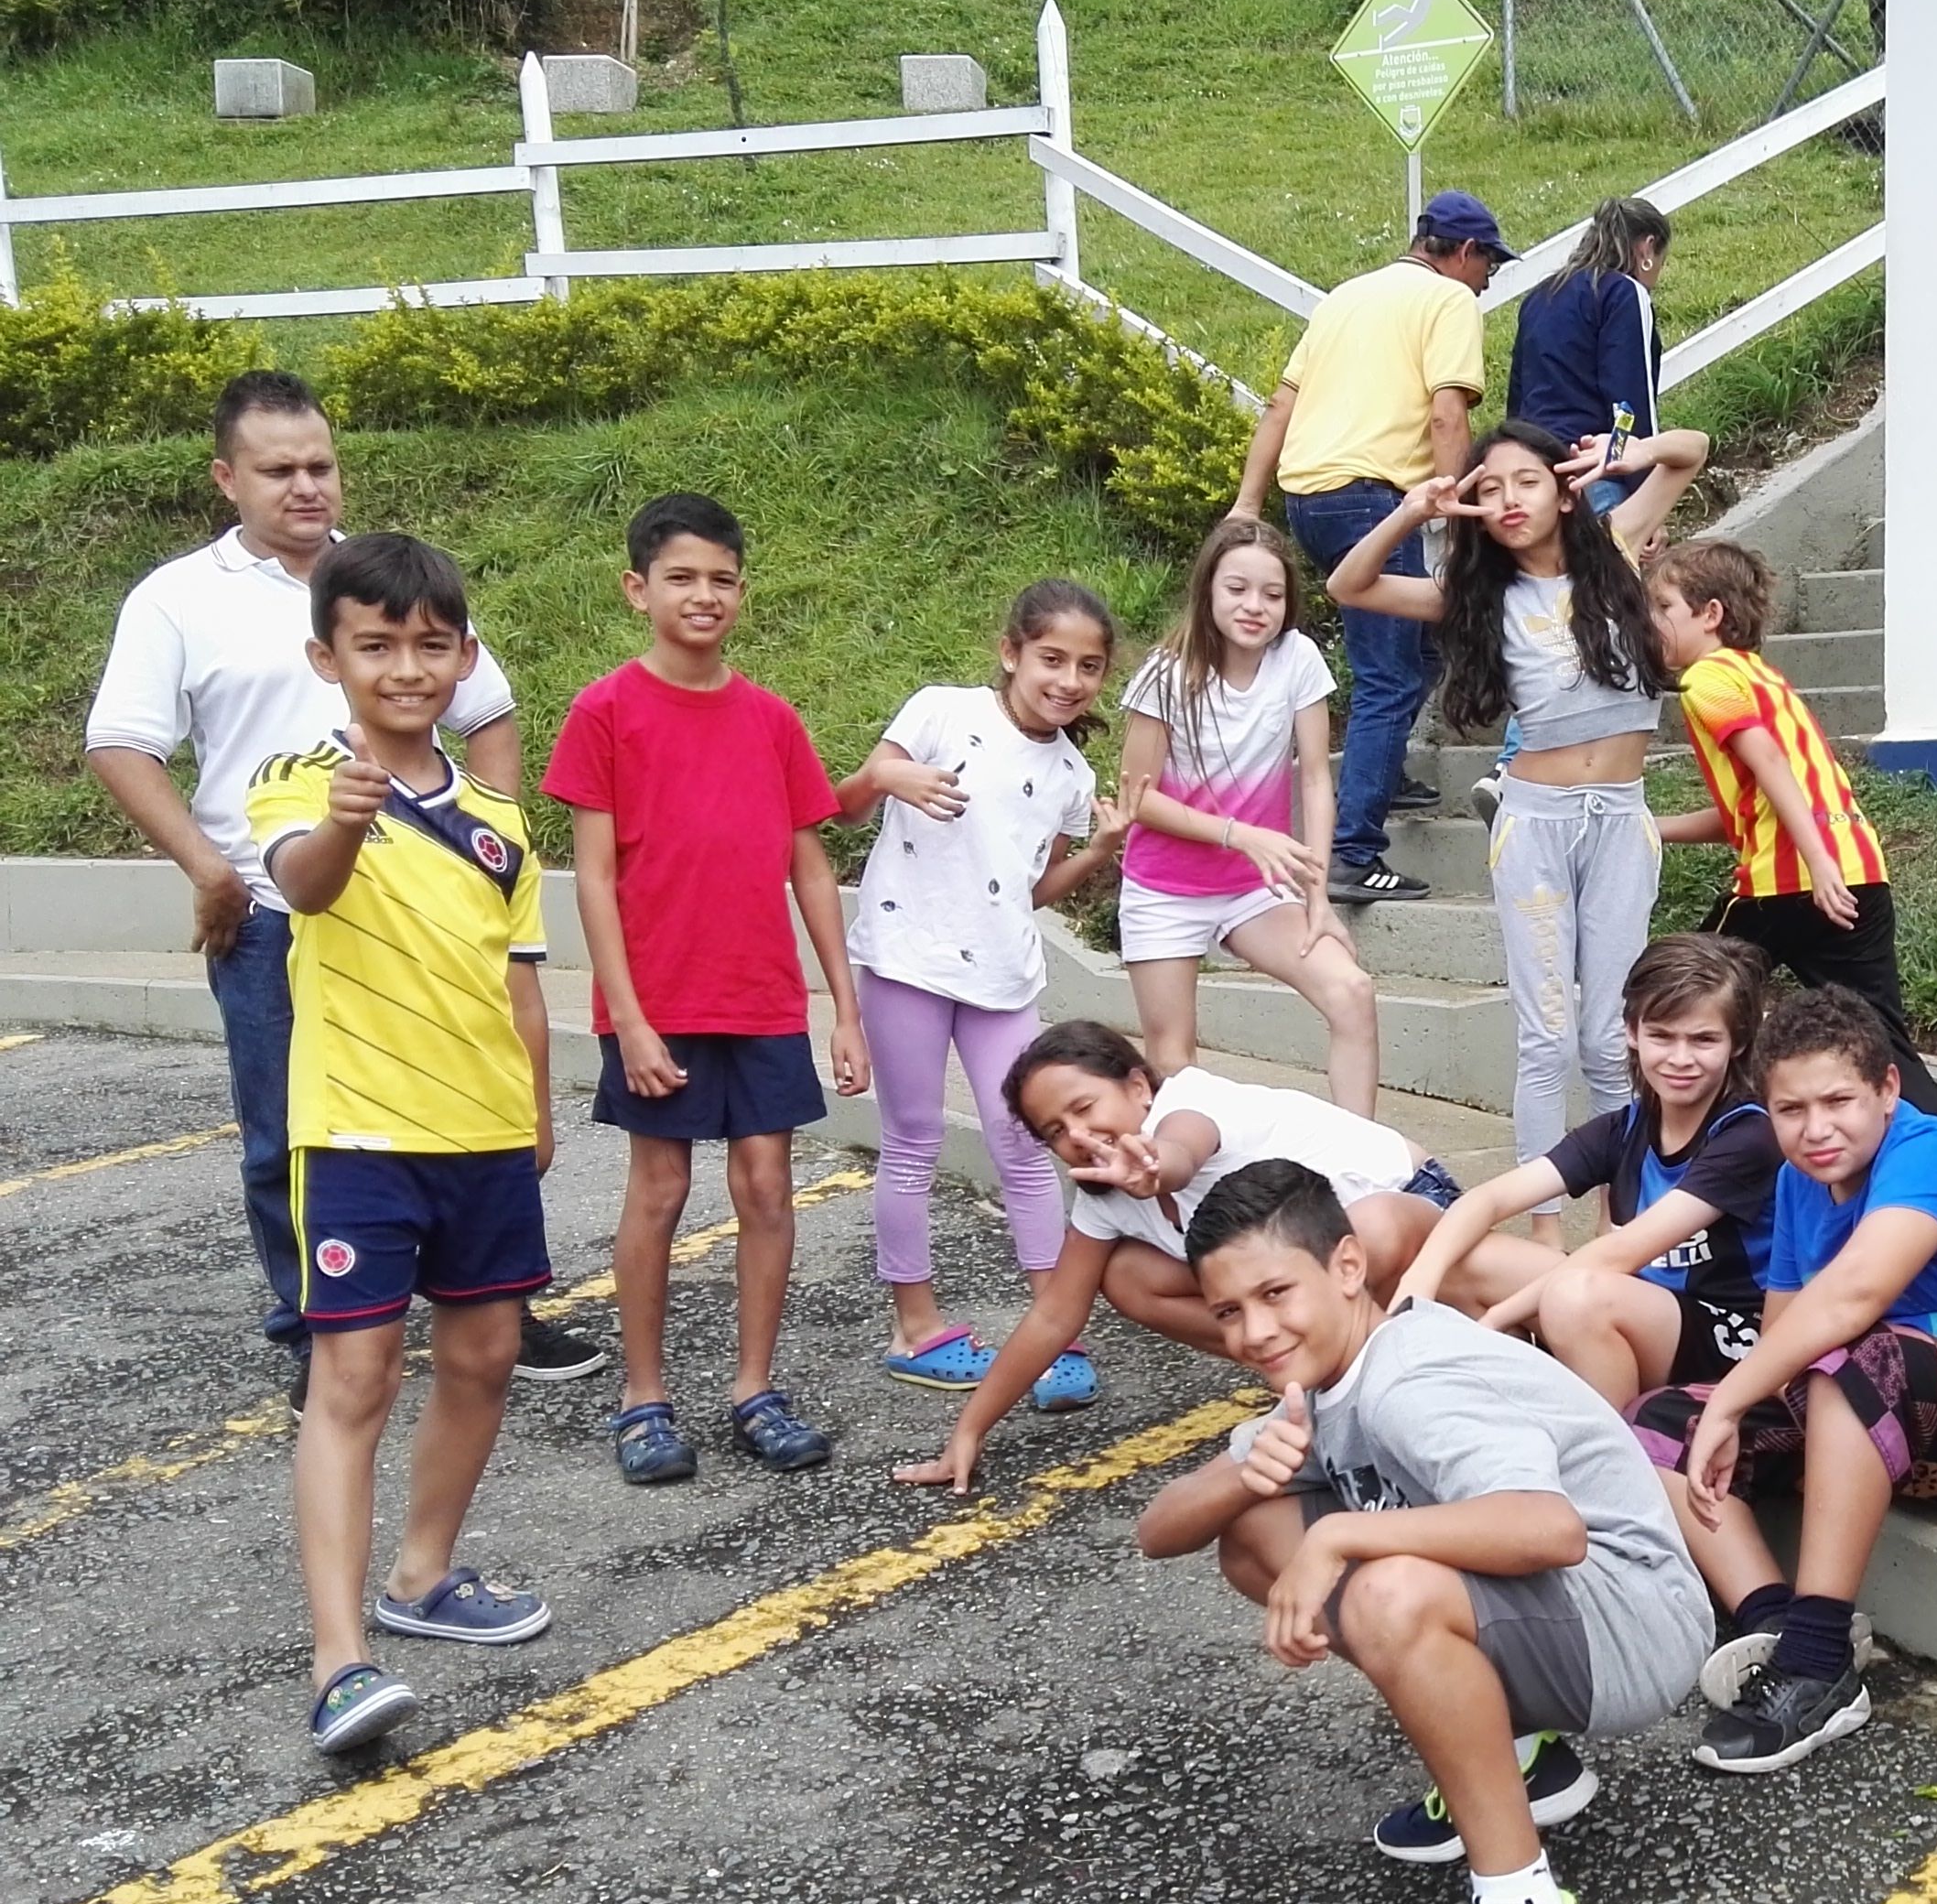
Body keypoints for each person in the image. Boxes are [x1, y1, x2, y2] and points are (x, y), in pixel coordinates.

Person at [80, 370, 601, 1395]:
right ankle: (313, 1328)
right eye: (279, 470)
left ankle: (495, 1306)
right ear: (227, 479)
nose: (306, 487)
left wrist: (481, 839)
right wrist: (208, 870)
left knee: (466, 1109)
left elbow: (488, 711)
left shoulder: (385, 579)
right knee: (287, 1135)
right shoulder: (177, 600)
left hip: (428, 917)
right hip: (277, 914)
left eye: (320, 465)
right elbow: (120, 743)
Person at [1132, 1160, 1713, 1904]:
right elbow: (1158, 1532)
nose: (1255, 1331)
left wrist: (1340, 1538)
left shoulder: (1408, 1379)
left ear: (1348, 1267)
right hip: (1572, 1613)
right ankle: (1520, 1760)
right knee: (1251, 1532)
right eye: (1229, 1312)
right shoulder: (1327, 1379)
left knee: (1387, 1592)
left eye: (1275, 1294)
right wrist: (1247, 1473)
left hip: (1634, 1623)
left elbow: (1548, 1529)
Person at [248, 536, 557, 1756]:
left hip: (484, 1136)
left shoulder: (499, 822)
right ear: (327, 657)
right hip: (358, 1135)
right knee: (356, 1380)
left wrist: (536, 1112)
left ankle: (423, 1576)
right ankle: (340, 1662)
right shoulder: (301, 779)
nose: (406, 668)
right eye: (375, 645)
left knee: (484, 1359)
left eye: (431, 645)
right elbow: (305, 889)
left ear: (465, 657)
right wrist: (344, 821)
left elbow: (520, 983)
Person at [1629, 986, 1937, 1776]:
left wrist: (1733, 1400)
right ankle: (1772, 1622)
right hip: (1873, 1410)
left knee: (1857, 1354)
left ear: (1887, 1090)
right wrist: (1722, 1413)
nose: (1816, 1129)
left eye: (1838, 1101)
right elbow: (1784, 1328)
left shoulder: (1930, 1156)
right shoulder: (1799, 1180)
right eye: (1791, 1110)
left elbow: (1852, 1298)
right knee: (1657, 1421)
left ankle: (1820, 1662)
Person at [542, 492, 868, 1486]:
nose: (703, 595)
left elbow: (810, 868)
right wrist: (630, 1019)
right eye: (681, 577)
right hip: (660, 1004)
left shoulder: (771, 719)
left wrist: (843, 1010)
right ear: (636, 589)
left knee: (767, 1187)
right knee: (661, 1188)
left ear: (742, 593)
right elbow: (594, 877)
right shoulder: (605, 711)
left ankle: (754, 1391)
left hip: (760, 997)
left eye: (722, 579)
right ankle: (642, 1399)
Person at [1326, 417, 1713, 1172]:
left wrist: (1629, 456)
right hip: (1535, 824)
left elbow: (1691, 451)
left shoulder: (1617, 547)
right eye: (1492, 488)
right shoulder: (1475, 593)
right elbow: (1350, 584)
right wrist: (1413, 511)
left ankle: (1621, 1215)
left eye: (1527, 482)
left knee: (1611, 1040)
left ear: (1564, 493)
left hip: (1620, 821)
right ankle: (1542, 1220)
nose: (1509, 500)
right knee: (1546, 1040)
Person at [892, 1022, 1458, 1496]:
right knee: (1125, 1275)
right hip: (1316, 1272)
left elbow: (1183, 1149)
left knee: (1366, 1229)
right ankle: (1313, 1377)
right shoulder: (1103, 1196)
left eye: (1085, 1107)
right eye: (1056, 1131)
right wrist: (970, 1431)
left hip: (1414, 1204)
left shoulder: (1191, 1102)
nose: (1078, 1135)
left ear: (1139, 1086)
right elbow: (1054, 1315)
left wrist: (1157, 1167)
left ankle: (1347, 1376)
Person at [835, 579, 1124, 1407]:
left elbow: (1032, 890)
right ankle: (916, 1329)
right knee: (914, 1141)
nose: (1069, 680)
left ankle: (1053, 1334)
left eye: (1089, 667)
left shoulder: (1071, 773)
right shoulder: (940, 711)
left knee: (1026, 1144)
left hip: (1002, 974)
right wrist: (891, 778)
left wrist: (1098, 851)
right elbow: (843, 808)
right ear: (1011, 653)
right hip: (908, 960)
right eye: (1052, 659)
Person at [1228, 193, 1508, 906]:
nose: (1488, 282)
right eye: (1489, 266)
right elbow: (1447, 413)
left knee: (1425, 641)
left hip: (1308, 501)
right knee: (1388, 674)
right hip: (1372, 500)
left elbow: (1280, 406)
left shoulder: (1344, 299)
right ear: (1464, 253)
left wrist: (1248, 505)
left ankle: (1382, 775)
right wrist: (1462, 517)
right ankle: (1352, 853)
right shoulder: (1448, 300)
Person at [1391, 934, 1780, 1408]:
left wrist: (1495, 1318)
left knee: (1575, 1296)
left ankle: (1613, 1444)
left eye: (1703, 1040)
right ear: (1632, 1032)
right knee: (1464, 1262)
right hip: (1642, 1305)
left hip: (1733, 1338)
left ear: (1738, 1042)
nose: (1681, 1058)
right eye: (1662, 1035)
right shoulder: (1626, 1127)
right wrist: (1417, 1286)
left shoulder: (1749, 1135)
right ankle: (1511, 1403)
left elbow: (1620, 1253)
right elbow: (1488, 1200)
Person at [1650, 536, 1937, 1117]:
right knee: (1880, 1039)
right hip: (1858, 876)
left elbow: (1768, 762)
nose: (1650, 621)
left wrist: (1814, 863)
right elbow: (1756, 807)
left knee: (1679, 999)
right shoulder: (1764, 679)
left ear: (1711, 615)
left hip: (1786, 885)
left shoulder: (1706, 679)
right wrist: (1648, 826)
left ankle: (1696, 1136)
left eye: (1663, 606)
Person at [1112, 517, 1380, 1114]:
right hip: (1165, 890)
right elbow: (1137, 797)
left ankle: (1360, 1156)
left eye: (1272, 594)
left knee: (1352, 992)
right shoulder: (1167, 672)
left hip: (1256, 889)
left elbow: (1316, 778)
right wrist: (1239, 834)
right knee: (1174, 1064)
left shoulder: (1297, 658)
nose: (1255, 606)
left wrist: (1317, 898)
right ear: (1208, 589)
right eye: (1237, 588)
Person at [1503, 196, 1669, 483]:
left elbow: (1517, 398)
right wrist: (1643, 485)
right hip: (1592, 469)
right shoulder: (1624, 292)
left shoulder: (1539, 296)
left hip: (1534, 469)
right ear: (1647, 247)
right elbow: (1628, 401)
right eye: (1661, 261)